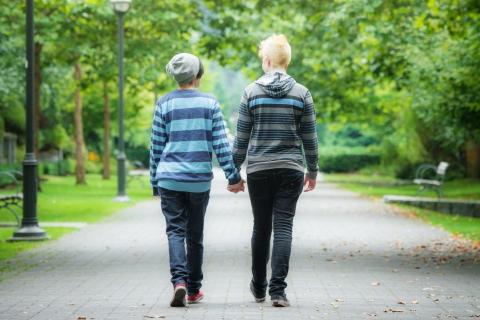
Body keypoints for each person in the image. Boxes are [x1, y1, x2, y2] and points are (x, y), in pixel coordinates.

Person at [150, 53, 244, 307]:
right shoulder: (210, 103)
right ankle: (193, 290)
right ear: (198, 76)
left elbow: (156, 146)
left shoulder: (164, 104)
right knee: (195, 235)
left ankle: (178, 282)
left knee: (174, 231)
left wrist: (154, 181)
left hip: (169, 178)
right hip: (198, 180)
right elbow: (221, 144)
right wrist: (233, 175)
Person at [231, 34, 319, 307]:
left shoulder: (251, 92)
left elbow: (241, 138)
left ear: (267, 60)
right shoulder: (302, 93)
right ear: (287, 61)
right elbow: (310, 138)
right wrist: (312, 170)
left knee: (261, 227)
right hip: (291, 167)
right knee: (283, 228)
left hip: (258, 169)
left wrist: (234, 171)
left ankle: (258, 287)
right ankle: (278, 291)